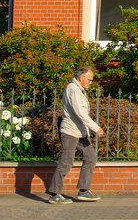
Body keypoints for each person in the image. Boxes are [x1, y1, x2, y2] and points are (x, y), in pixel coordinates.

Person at [48, 67, 105, 204]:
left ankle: (84, 191)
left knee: (90, 157)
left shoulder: (79, 90)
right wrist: (96, 128)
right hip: (70, 132)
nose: (91, 83)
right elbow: (79, 112)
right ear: (81, 77)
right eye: (89, 80)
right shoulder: (72, 89)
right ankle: (55, 193)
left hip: (80, 132)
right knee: (66, 161)